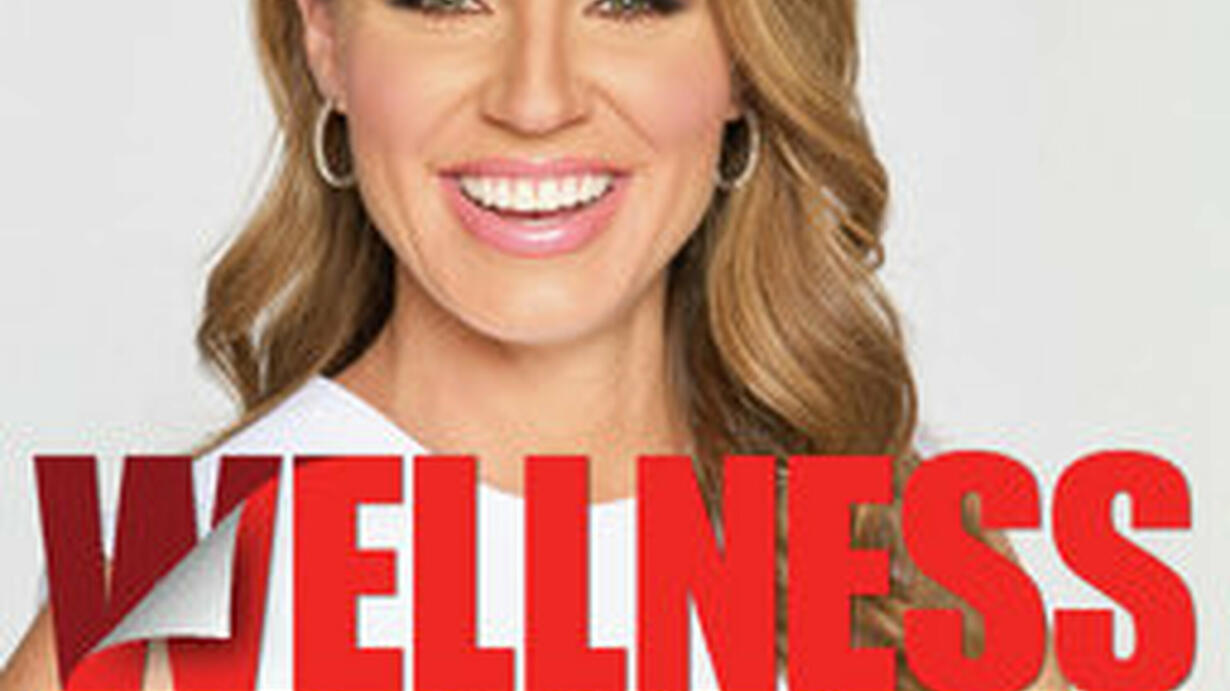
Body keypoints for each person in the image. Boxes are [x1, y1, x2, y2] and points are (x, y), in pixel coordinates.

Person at [1, 0, 1067, 688]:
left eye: (630, 0)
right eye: (448, 0)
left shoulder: (909, 568)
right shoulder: (158, 606)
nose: (536, 98)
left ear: (748, 57)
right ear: (325, 36)